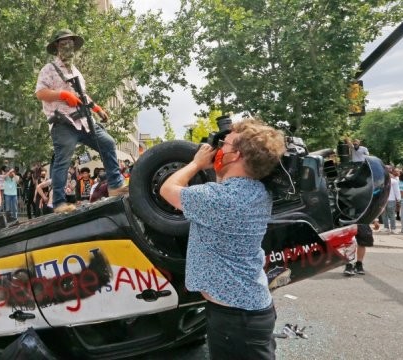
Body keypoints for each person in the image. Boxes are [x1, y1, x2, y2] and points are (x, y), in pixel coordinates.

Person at [160, 118, 286, 359]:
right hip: (243, 311)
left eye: (224, 145)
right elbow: (225, 180)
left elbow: (167, 189)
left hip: (237, 319)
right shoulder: (257, 190)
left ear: (236, 155)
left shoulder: (220, 199)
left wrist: (196, 164)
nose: (218, 149)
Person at [35, 29, 129, 214]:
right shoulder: (49, 69)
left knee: (108, 143)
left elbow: (82, 95)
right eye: (63, 43)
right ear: (56, 47)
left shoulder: (76, 71)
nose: (68, 46)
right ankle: (59, 203)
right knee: (63, 161)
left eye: (70, 42)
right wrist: (62, 94)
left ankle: (115, 185)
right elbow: (40, 93)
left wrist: (97, 108)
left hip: (84, 121)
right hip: (63, 123)